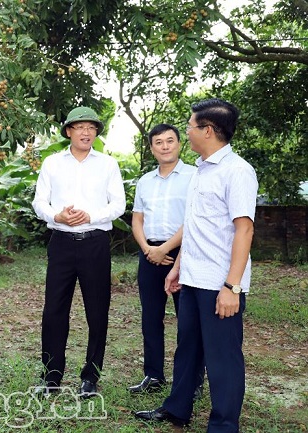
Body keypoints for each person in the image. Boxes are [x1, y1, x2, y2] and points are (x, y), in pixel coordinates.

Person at [135, 98, 257, 431]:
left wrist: (232, 286)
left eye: (190, 126)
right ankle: (177, 409)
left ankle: (223, 425)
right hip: (191, 277)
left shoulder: (237, 171)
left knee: (222, 358)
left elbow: (244, 229)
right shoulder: (201, 170)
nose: (186, 132)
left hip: (219, 283)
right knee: (187, 349)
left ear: (208, 130)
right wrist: (178, 267)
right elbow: (195, 226)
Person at [32, 106, 126, 397]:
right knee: (54, 311)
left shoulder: (108, 164)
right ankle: (51, 377)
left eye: (92, 128)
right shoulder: (52, 163)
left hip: (94, 243)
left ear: (96, 132)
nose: (86, 132)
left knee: (97, 312)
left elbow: (118, 204)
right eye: (80, 127)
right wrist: (56, 216)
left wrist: (90, 216)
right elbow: (39, 202)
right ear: (69, 131)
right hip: (61, 243)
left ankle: (90, 378)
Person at [128, 124, 197, 394]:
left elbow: (194, 218)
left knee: (188, 320)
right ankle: (153, 376)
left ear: (179, 144)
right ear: (152, 148)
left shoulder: (194, 176)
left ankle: (191, 380)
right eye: (158, 142)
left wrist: (166, 248)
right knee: (151, 317)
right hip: (149, 254)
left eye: (170, 140)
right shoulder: (145, 181)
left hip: (184, 252)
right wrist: (148, 249)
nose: (165, 146)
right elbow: (137, 219)